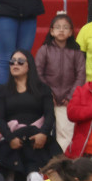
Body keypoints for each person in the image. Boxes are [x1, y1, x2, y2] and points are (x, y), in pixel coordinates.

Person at [0, 49, 59, 181]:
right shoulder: (1, 90)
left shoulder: (42, 89)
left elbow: (50, 115)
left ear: (29, 65)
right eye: (12, 61)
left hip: (37, 140)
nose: (15, 64)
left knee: (35, 176)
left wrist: (43, 133)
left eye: (20, 61)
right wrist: (9, 138)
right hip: (12, 141)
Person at [34, 13, 86, 152]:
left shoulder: (77, 52)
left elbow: (81, 76)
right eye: (57, 27)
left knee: (66, 133)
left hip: (67, 101)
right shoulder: (44, 50)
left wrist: (70, 97)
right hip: (46, 99)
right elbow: (37, 73)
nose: (61, 30)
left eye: (65, 27)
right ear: (51, 31)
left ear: (70, 32)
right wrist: (47, 94)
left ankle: (63, 163)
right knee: (43, 131)